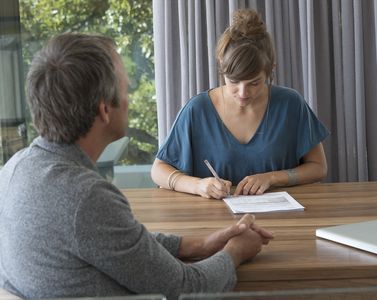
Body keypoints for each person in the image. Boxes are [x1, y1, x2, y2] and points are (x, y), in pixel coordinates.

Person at [0, 33, 274, 299]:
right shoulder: (87, 199)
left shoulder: (15, 168)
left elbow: (117, 242)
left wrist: (199, 245)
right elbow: (187, 288)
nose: (129, 98)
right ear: (104, 110)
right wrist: (236, 251)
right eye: (125, 88)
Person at [151, 9, 329, 200]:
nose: (243, 93)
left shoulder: (291, 104)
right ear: (222, 69)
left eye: (254, 83)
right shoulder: (197, 109)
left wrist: (272, 178)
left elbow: (318, 167)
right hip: (212, 222)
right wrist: (197, 185)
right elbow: (158, 170)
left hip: (280, 218)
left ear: (270, 71)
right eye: (234, 81)